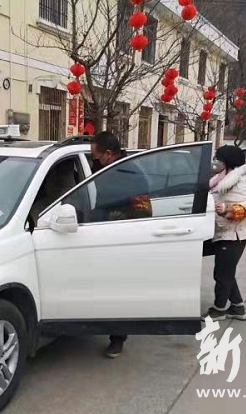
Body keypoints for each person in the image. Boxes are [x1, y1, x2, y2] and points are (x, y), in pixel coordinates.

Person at [89, 131, 151, 358]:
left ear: (108, 153)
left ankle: (117, 337)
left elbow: (144, 211)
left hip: (121, 239)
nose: (94, 161)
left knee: (117, 291)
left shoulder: (131, 174)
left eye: (96, 157)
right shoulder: (101, 168)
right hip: (94, 236)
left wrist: (122, 224)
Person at [202, 145, 246, 322]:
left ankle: (219, 310)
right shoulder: (223, 178)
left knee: (222, 275)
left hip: (233, 236)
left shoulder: (239, 182)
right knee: (226, 273)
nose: (217, 162)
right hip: (221, 233)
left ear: (228, 161)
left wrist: (226, 209)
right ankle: (238, 308)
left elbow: (245, 209)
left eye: (220, 159)